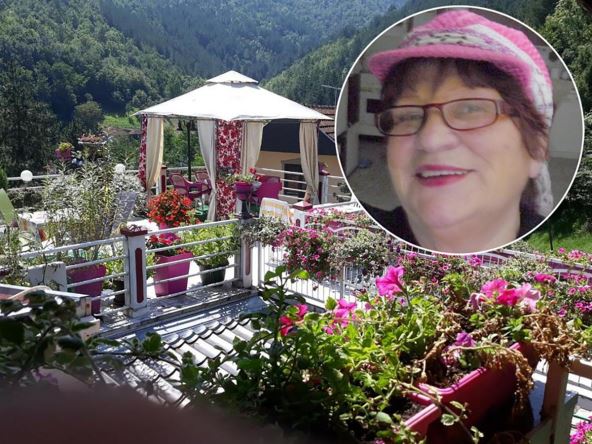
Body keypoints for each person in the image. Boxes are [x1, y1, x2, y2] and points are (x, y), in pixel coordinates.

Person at [363, 9, 554, 254]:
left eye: (470, 109)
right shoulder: (354, 230)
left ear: (536, 147)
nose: (431, 139)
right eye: (409, 116)